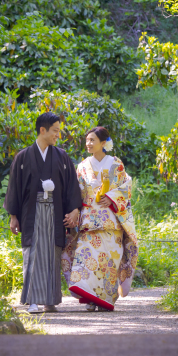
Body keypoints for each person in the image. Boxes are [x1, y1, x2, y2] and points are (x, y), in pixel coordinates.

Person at [4, 112, 82, 314]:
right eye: (55, 130)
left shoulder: (62, 157)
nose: (58, 134)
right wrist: (13, 215)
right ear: (42, 130)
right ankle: (32, 300)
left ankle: (49, 300)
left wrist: (74, 210)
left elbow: (72, 186)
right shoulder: (23, 157)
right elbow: (14, 187)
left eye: (58, 131)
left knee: (52, 254)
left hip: (55, 212)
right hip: (32, 212)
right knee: (33, 253)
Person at [62, 126, 139, 311]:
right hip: (88, 220)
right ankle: (90, 299)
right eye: (87, 140)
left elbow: (126, 187)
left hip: (111, 220)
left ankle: (106, 300)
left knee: (109, 261)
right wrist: (74, 211)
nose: (88, 144)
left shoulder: (116, 164)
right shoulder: (81, 167)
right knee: (86, 259)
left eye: (92, 140)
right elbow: (74, 192)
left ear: (103, 143)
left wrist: (111, 197)